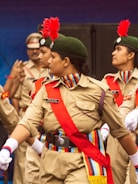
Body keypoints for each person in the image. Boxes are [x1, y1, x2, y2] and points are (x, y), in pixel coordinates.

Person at [0, 28, 138, 184]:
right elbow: (27, 122)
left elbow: (119, 130)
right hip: (50, 161)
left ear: (66, 61)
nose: (47, 60)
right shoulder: (45, 89)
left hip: (82, 162)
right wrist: (8, 147)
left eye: (52, 56)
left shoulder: (99, 90)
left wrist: (136, 160)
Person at [100, 19, 138, 184]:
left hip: (136, 136)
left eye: (118, 49)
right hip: (115, 138)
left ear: (131, 55)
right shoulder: (107, 81)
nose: (113, 53)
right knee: (113, 180)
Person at [11, 32, 47, 184]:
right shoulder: (22, 69)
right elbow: (13, 96)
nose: (34, 51)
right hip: (26, 117)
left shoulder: (51, 68)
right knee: (22, 161)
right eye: (31, 48)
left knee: (45, 157)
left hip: (46, 120)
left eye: (37, 48)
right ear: (27, 51)